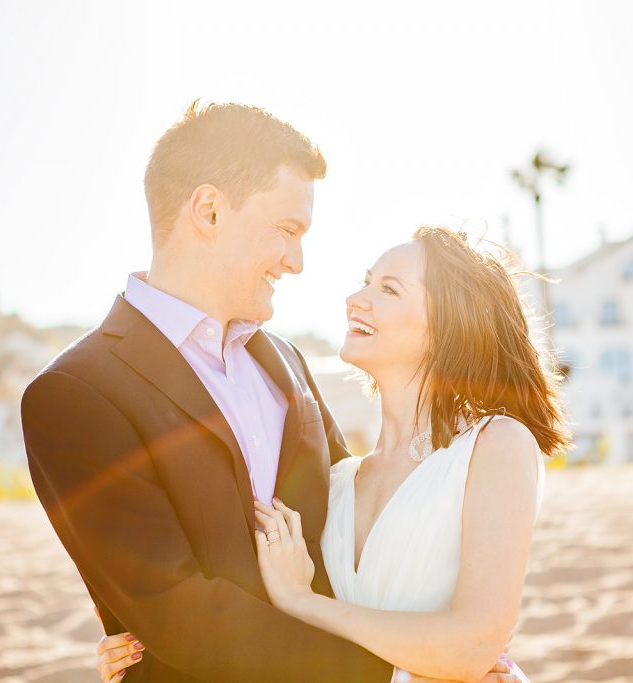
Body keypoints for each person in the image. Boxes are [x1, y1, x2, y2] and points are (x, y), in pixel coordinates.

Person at [22, 101, 533, 682]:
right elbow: (176, 610)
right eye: (287, 230)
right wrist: (410, 673)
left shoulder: (285, 362)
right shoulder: (75, 391)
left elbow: (351, 539)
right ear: (209, 211)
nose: (297, 261)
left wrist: (453, 650)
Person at [95, 227, 571, 682]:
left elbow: (471, 648)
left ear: (451, 321)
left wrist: (305, 603)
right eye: (365, 282)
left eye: (388, 289)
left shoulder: (496, 446)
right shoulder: (336, 479)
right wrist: (150, 651)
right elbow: (240, 582)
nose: (355, 300)